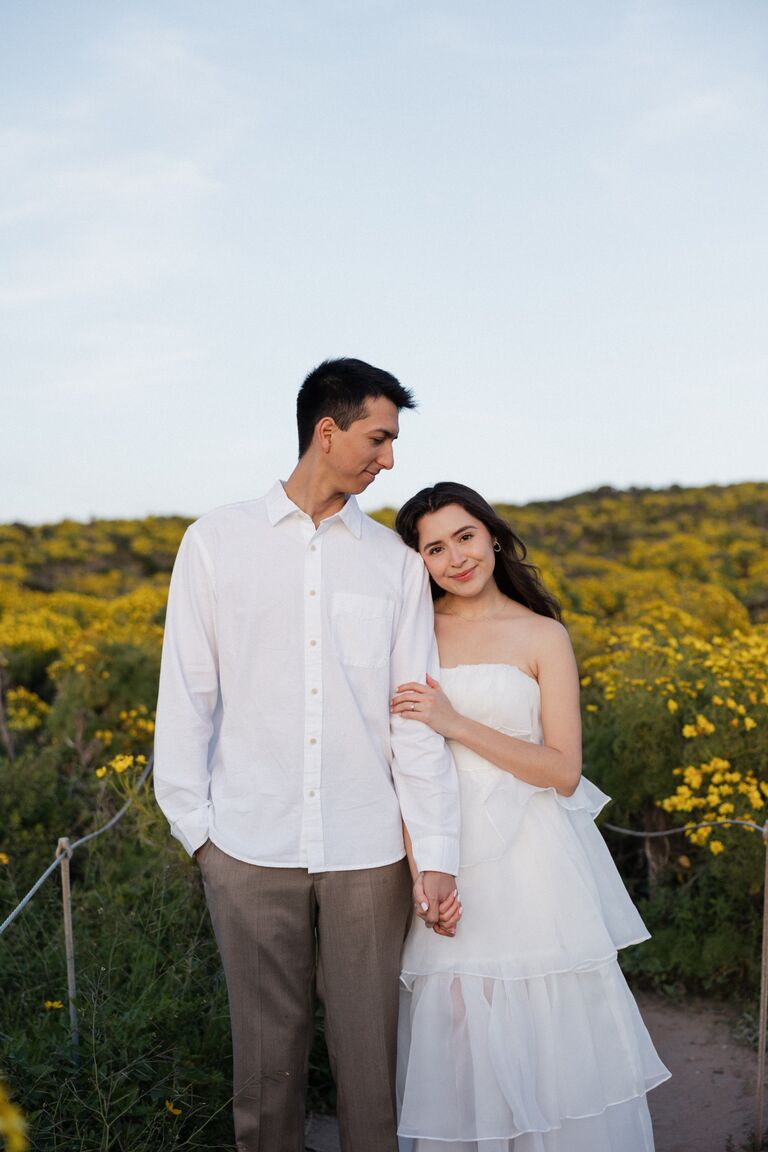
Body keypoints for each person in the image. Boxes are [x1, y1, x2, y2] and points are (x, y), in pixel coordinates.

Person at [153, 360, 460, 1152]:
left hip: (368, 854)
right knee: (264, 1079)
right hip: (248, 851)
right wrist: (200, 833)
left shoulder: (393, 565)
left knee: (372, 1077)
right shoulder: (215, 543)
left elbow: (414, 724)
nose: (389, 459)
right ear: (328, 432)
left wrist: (436, 854)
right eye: (379, 438)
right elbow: (187, 697)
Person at [391, 482, 670, 1152]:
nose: (456, 558)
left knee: (551, 1027)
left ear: (490, 534)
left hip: (534, 859)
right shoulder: (411, 635)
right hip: (449, 855)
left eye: (464, 536)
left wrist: (456, 722)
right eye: (435, 548)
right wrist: (420, 871)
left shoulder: (543, 634)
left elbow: (562, 770)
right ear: (419, 563)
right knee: (459, 1030)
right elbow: (401, 765)